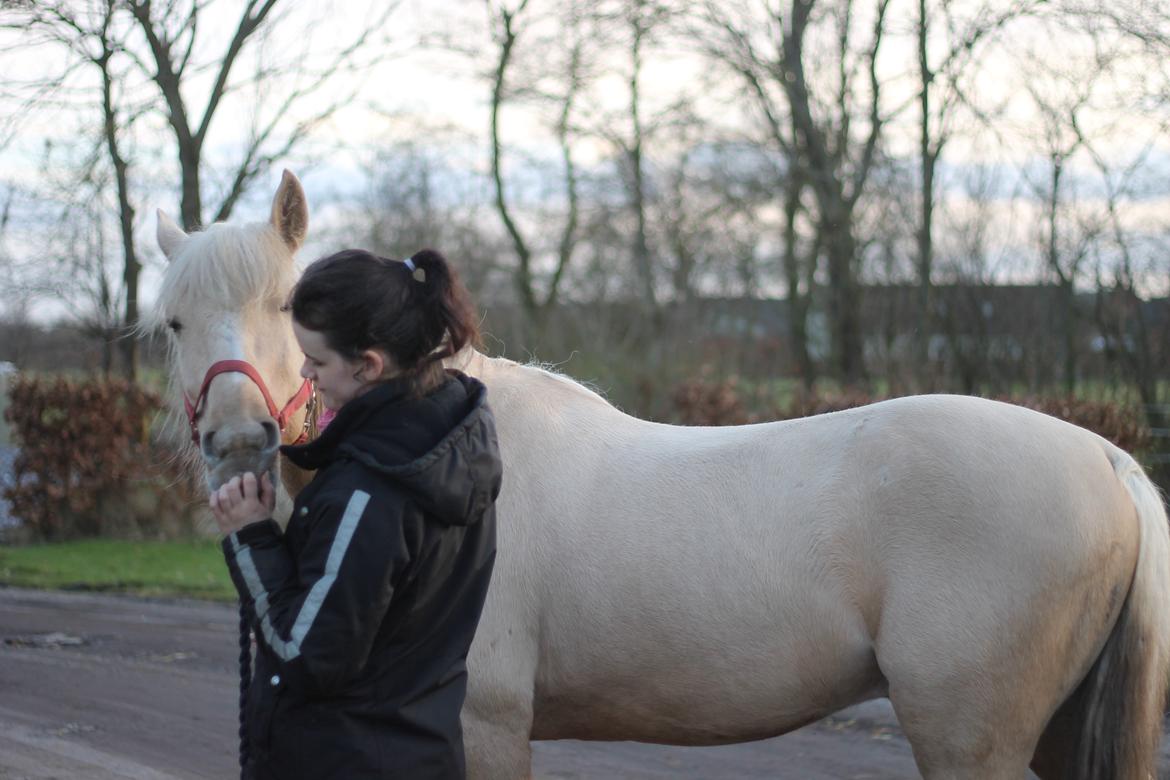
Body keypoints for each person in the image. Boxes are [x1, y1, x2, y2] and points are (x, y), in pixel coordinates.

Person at [209, 248, 501, 780]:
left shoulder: (370, 493)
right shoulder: (449, 451)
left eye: (317, 361)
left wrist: (249, 537)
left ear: (369, 365)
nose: (304, 371)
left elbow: (305, 655)